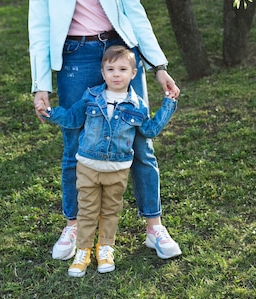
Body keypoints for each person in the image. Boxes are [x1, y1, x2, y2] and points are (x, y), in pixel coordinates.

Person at [29, 0, 181, 263]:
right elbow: (39, 26)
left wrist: (157, 65)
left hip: (120, 54)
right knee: (74, 145)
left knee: (140, 142)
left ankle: (154, 227)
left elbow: (136, 13)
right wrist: (40, 84)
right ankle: (73, 224)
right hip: (76, 58)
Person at [41, 45, 178, 277]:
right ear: (102, 73)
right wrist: (51, 112)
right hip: (88, 167)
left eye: (123, 69)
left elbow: (150, 129)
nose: (116, 74)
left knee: (111, 211)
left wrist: (169, 104)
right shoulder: (92, 97)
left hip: (117, 170)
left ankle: (105, 248)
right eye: (110, 69)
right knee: (87, 210)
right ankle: (82, 251)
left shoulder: (137, 106)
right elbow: (73, 119)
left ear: (133, 74)